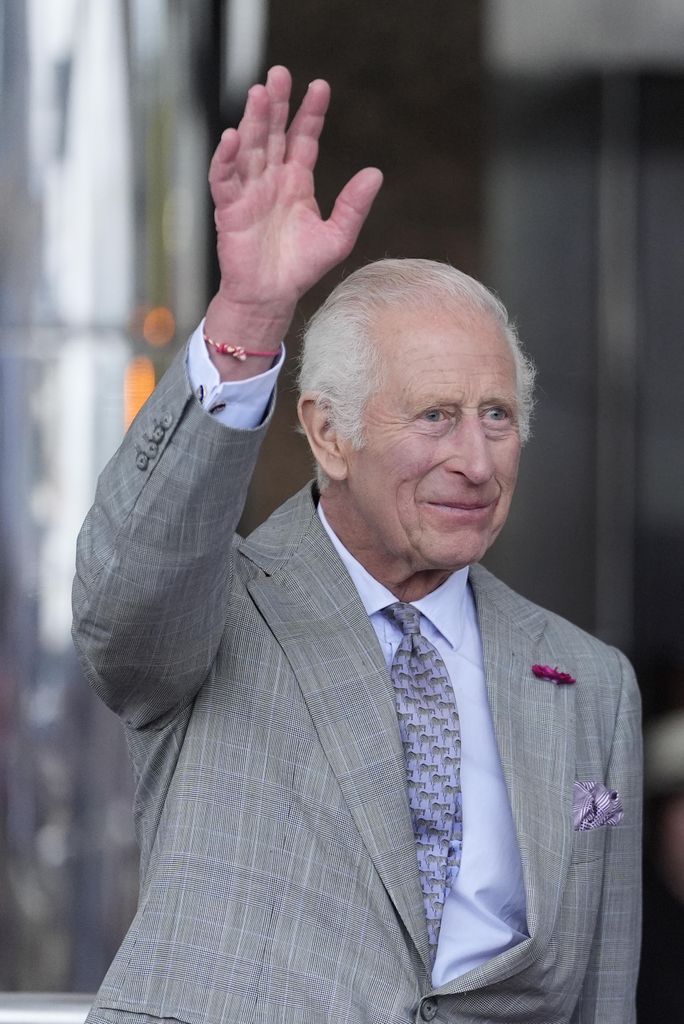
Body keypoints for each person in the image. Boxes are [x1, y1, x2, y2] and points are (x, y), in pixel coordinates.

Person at [73, 66, 642, 1024]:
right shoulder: (216, 615)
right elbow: (122, 597)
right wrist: (250, 321)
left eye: (498, 416)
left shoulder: (589, 681)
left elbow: (601, 994)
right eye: (434, 415)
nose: (474, 458)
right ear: (329, 435)